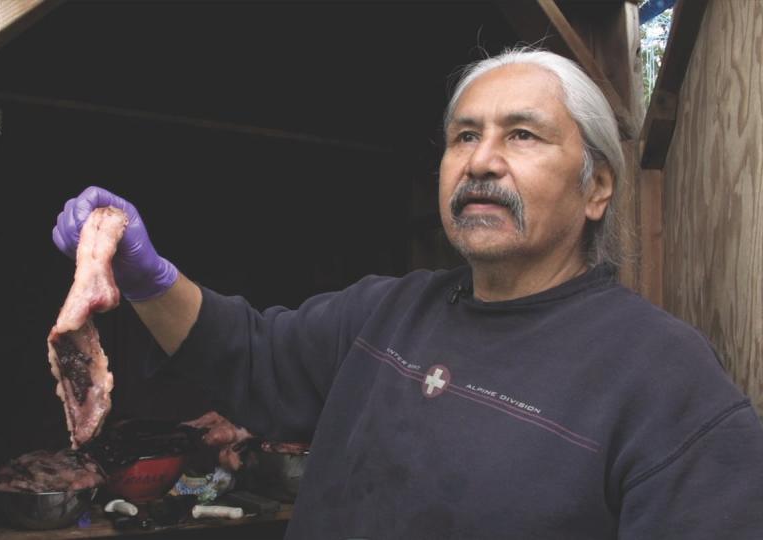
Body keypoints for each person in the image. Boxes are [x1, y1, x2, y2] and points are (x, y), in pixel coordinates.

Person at [52, 49, 763, 539]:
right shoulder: (387, 310)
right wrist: (149, 276)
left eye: (522, 135)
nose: (481, 160)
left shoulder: (666, 380)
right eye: (464, 136)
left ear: (598, 187)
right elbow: (249, 355)